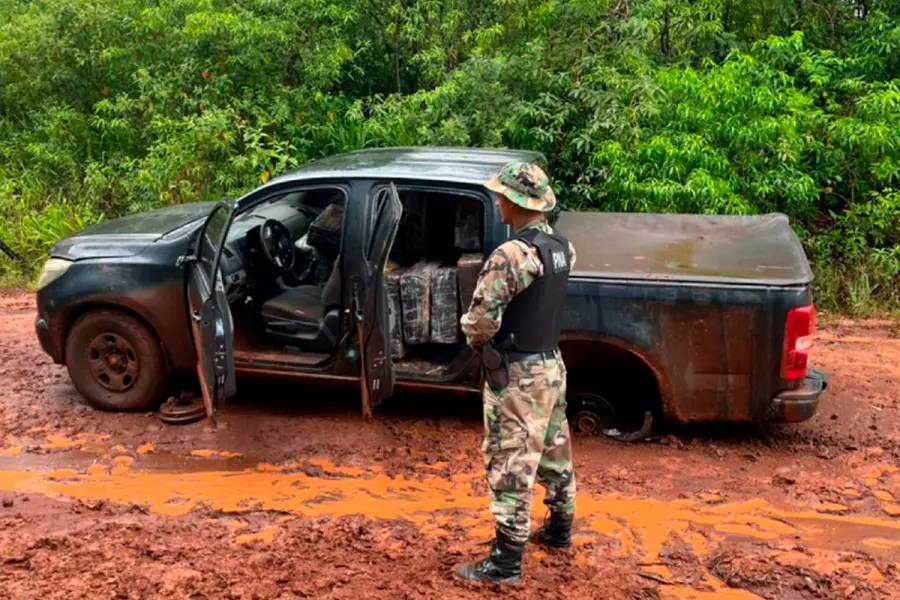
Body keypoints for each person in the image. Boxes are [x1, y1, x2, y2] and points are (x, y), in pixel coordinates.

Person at [456, 161, 577, 584]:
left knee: (510, 459)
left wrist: (471, 336)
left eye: (501, 195)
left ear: (514, 201)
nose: (497, 201)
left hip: (519, 372)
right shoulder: (561, 246)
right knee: (553, 449)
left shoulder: (511, 255)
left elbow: (482, 320)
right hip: (550, 365)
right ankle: (560, 530)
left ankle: (506, 562)